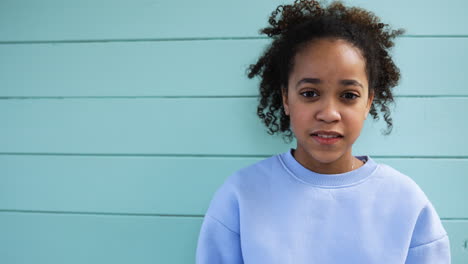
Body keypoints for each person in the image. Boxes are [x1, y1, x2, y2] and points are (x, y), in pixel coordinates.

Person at [195, 0, 451, 263]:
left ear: (368, 103)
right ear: (286, 99)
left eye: (349, 95)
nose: (329, 113)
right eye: (309, 93)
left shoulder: (405, 200)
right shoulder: (240, 195)